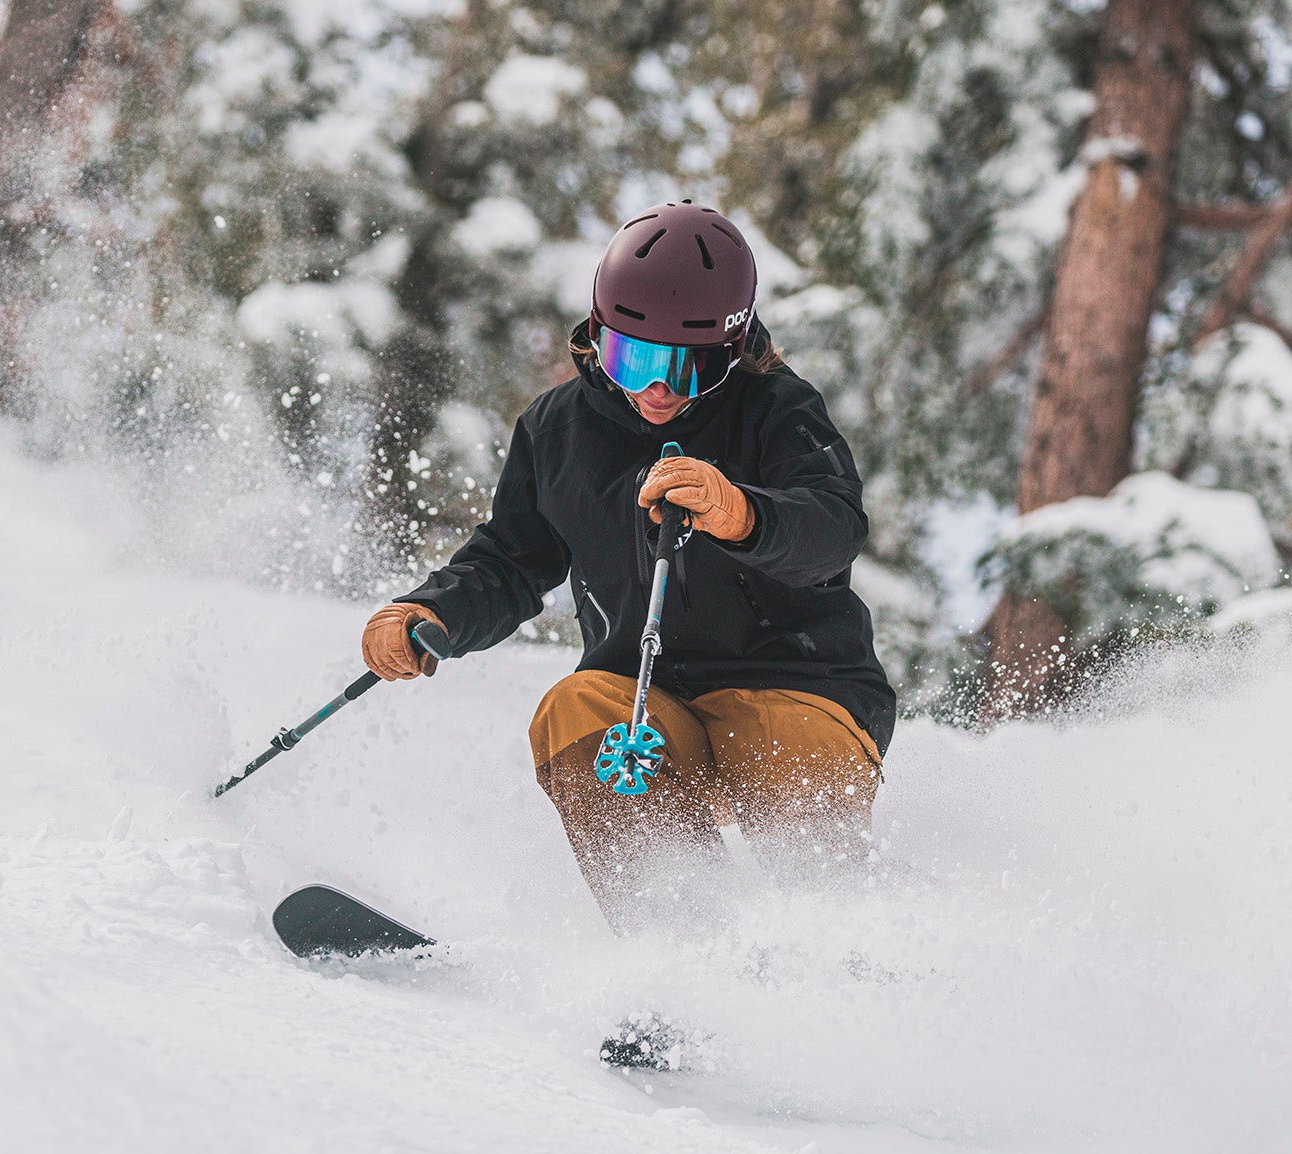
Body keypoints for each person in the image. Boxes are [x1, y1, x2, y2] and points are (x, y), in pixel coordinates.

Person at [360, 202, 896, 927]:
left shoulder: (777, 410)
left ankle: (840, 950)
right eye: (634, 358)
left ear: (733, 350)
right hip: (650, 695)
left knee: (785, 758)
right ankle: (678, 947)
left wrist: (742, 513)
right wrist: (433, 610)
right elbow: (513, 558)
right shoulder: (556, 431)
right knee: (574, 709)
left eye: (689, 367)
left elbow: (833, 525)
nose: (657, 389)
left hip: (797, 686)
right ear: (597, 335)